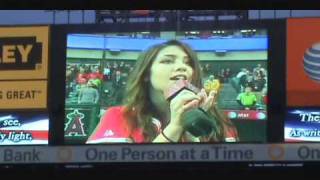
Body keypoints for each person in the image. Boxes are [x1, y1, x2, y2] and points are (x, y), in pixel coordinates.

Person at [87, 40, 238, 144]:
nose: (182, 67)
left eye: (188, 63)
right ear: (146, 74)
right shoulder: (119, 116)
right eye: (167, 61)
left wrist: (194, 131)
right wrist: (175, 128)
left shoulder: (218, 120)